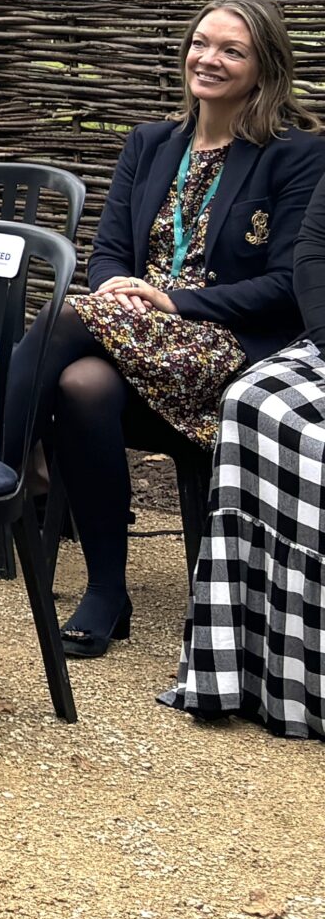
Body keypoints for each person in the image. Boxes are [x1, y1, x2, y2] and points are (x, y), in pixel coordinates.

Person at [8, 0, 323, 657]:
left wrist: (173, 301)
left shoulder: (294, 155)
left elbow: (286, 286)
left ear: (264, 67)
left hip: (226, 349)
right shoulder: (153, 143)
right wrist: (118, 292)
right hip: (135, 340)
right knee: (82, 384)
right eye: (201, 42)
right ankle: (105, 591)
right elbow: (108, 254)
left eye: (231, 49)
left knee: (67, 318)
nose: (208, 58)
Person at [163, 194, 325, 737]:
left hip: (204, 320)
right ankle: (241, 674)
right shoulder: (151, 144)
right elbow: (315, 248)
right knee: (250, 399)